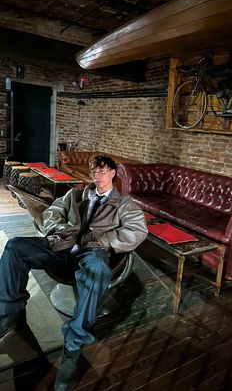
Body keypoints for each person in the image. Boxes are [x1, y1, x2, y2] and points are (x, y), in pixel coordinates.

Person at [0, 155, 148, 390]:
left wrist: (103, 240)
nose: (96, 176)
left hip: (93, 253)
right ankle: (11, 315)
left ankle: (73, 347)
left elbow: (137, 231)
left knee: (98, 268)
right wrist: (62, 230)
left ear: (113, 173)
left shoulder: (124, 205)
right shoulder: (75, 195)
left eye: (102, 171)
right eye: (93, 171)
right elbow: (51, 214)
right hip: (61, 249)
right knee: (16, 247)